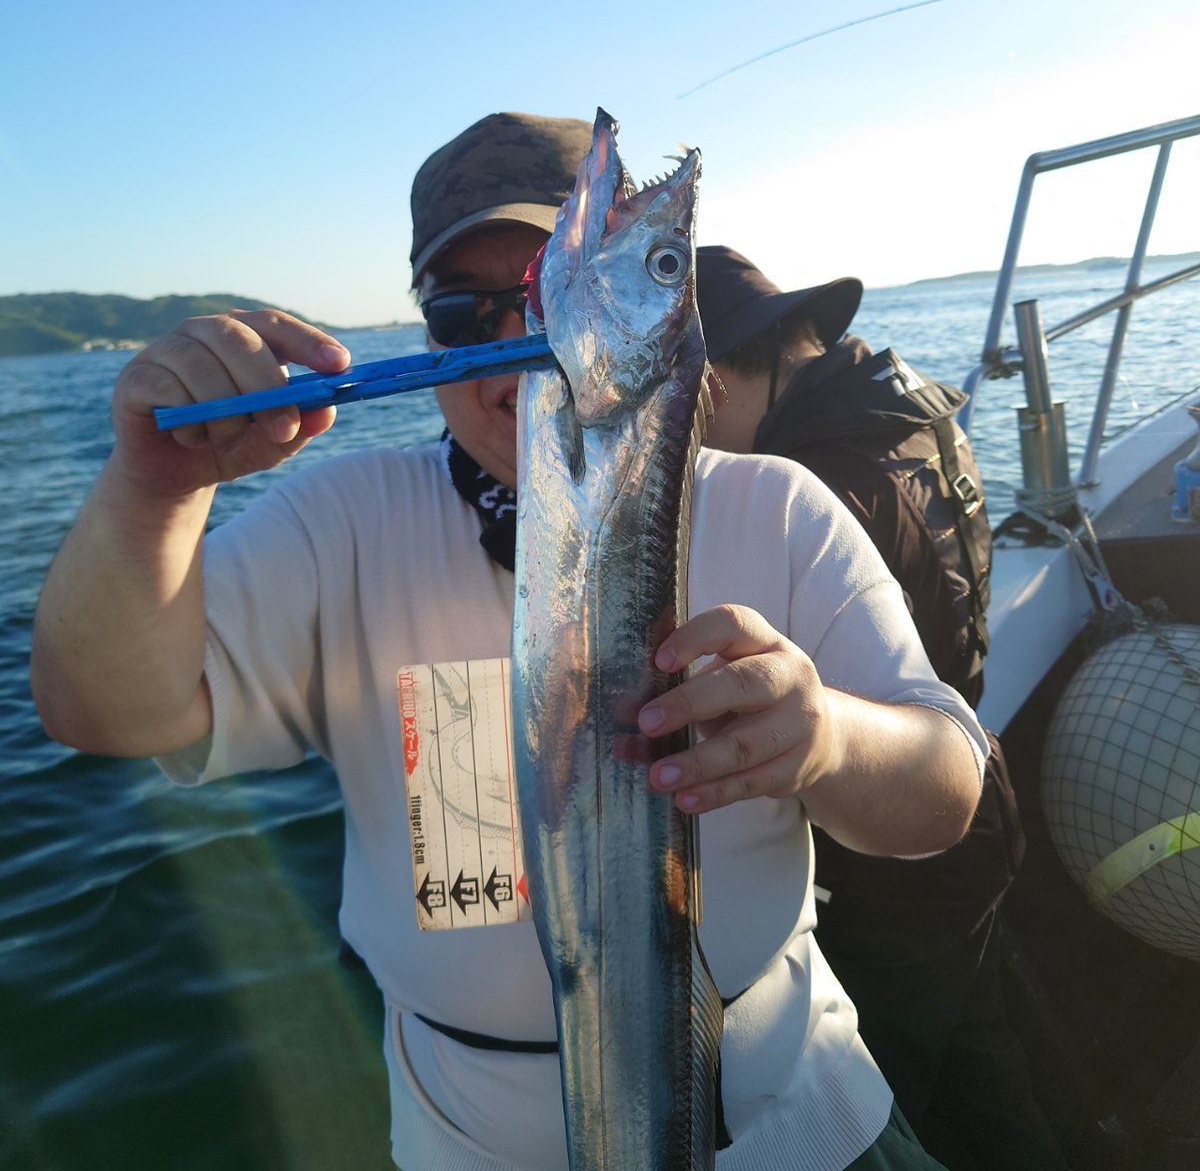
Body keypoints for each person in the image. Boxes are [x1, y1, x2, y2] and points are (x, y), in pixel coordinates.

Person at [30, 112, 987, 1171]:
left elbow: (948, 792)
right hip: (470, 1140)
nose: (503, 348)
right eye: (459, 312)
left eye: (531, 294)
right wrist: (150, 491)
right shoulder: (341, 524)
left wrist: (830, 739)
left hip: (803, 1112)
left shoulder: (775, 508)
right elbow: (107, 714)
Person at [694, 245, 1067, 1171]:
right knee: (981, 1048)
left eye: (694, 396)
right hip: (972, 780)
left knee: (892, 1085)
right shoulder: (907, 408)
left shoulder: (812, 482)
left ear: (726, 370)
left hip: (901, 842)